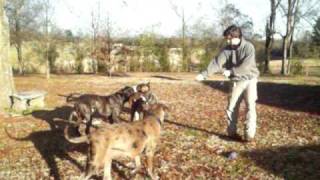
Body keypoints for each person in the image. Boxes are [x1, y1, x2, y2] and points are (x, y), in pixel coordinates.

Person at [196, 25, 259, 142]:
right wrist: (204, 74)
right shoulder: (227, 49)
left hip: (250, 79)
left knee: (250, 105)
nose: (228, 41)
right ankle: (231, 133)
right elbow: (216, 63)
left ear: (238, 37)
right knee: (231, 107)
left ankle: (249, 135)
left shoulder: (249, 47)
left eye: (230, 39)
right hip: (236, 81)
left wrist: (231, 71)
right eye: (227, 39)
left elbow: (247, 66)